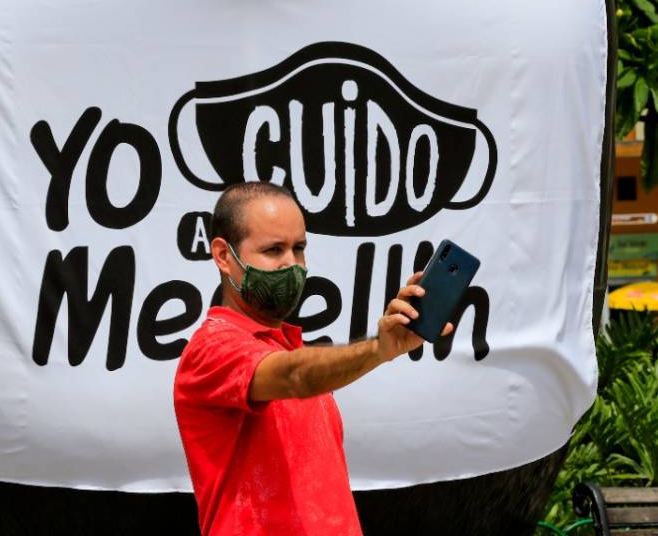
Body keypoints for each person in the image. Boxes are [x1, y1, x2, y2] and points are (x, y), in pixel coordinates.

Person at [173, 182, 452, 536]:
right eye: (274, 250)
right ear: (223, 256)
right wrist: (381, 348)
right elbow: (294, 379)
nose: (292, 264)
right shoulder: (211, 349)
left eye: (299, 248)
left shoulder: (290, 349)